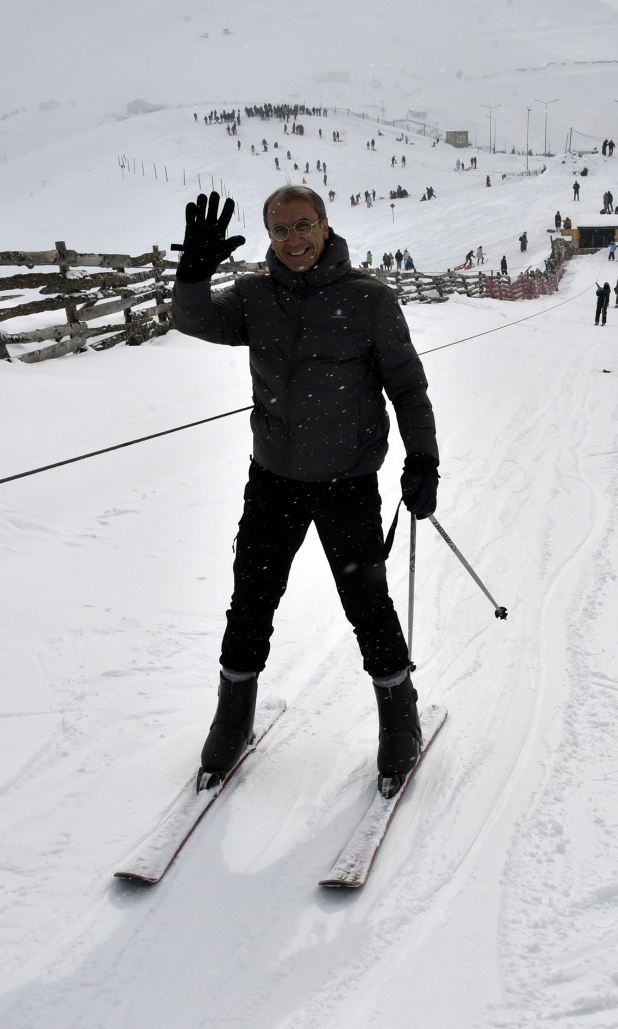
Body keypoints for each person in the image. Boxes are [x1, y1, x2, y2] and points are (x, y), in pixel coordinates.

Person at [171, 187, 438, 797]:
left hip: (346, 484)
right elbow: (193, 321)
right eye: (280, 228)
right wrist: (191, 276)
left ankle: (400, 712)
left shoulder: (369, 300)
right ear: (267, 235)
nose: (293, 239)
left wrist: (423, 457)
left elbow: (408, 386)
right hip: (273, 481)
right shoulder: (254, 297)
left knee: (366, 605)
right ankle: (233, 710)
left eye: (303, 225)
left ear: (325, 225)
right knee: (251, 598)